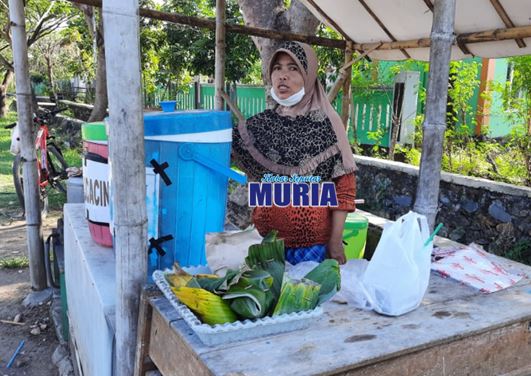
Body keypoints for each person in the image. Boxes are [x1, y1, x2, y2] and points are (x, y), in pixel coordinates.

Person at [232, 41, 357, 265]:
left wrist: (335, 242)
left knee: (302, 298)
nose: (282, 75)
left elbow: (344, 189)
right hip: (266, 241)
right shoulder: (264, 124)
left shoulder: (328, 124)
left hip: (308, 246)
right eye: (277, 68)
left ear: (308, 75)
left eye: (293, 68)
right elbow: (225, 146)